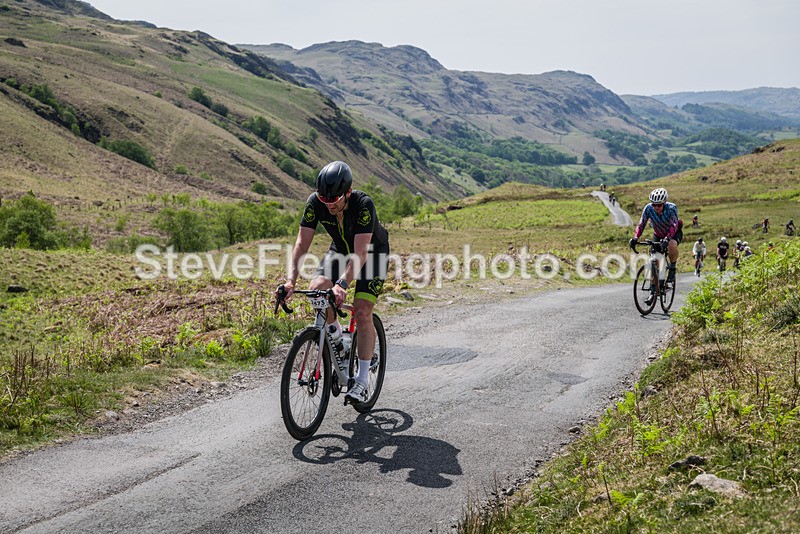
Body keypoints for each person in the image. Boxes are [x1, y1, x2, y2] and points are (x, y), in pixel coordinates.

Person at [276, 161, 390, 405]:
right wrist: (290, 281)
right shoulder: (315, 203)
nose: (329, 204)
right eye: (323, 198)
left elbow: (360, 253)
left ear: (348, 192)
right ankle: (339, 339)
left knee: (362, 311)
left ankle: (361, 380)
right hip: (340, 250)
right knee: (317, 289)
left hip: (372, 254)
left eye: (334, 199)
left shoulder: (363, 204)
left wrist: (341, 285)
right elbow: (301, 244)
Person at [628, 187, 682, 306]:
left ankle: (672, 268)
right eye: (654, 205)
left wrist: (667, 238)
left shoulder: (671, 208)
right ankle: (653, 291)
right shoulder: (648, 208)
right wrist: (635, 237)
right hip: (658, 234)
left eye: (659, 205)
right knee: (654, 261)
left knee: (672, 245)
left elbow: (674, 225)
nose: (656, 207)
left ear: (664, 202)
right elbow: (641, 224)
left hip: (673, 233)